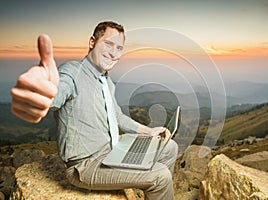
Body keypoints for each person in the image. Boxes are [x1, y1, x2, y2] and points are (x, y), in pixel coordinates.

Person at [10, 21, 178, 199]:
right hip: (86, 165)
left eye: (119, 48)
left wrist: (149, 131)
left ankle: (154, 190)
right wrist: (41, 92)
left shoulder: (106, 81)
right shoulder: (72, 72)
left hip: (112, 149)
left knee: (170, 147)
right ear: (92, 42)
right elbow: (56, 94)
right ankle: (155, 183)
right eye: (108, 44)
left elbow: (117, 117)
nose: (114, 53)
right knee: (161, 176)